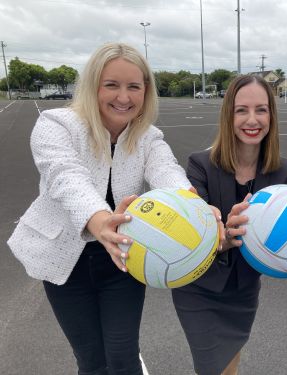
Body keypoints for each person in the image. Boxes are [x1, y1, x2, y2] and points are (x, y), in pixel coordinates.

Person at [7, 42, 196, 375]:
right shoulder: (57, 125)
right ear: (93, 85)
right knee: (91, 362)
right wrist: (101, 221)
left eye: (133, 86)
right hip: (64, 262)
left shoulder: (147, 136)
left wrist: (194, 208)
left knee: (123, 359)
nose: (123, 97)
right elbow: (66, 177)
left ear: (145, 92)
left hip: (123, 261)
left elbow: (168, 172)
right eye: (112, 85)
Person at [171, 74, 287, 375]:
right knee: (211, 366)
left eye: (261, 109)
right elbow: (191, 237)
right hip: (200, 287)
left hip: (244, 289)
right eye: (241, 110)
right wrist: (222, 239)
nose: (252, 119)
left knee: (231, 358)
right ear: (228, 115)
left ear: (271, 115)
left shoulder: (282, 169)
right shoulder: (200, 165)